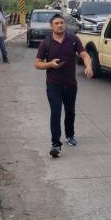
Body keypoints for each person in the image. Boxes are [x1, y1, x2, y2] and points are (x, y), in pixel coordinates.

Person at [35, 13, 93, 158]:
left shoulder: (73, 40)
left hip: (70, 84)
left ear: (64, 25)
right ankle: (55, 144)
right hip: (53, 84)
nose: (60, 25)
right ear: (51, 26)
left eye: (61, 23)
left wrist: (88, 66)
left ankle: (70, 135)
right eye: (56, 23)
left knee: (70, 111)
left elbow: (84, 54)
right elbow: (37, 63)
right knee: (55, 112)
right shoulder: (46, 43)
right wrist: (50, 64)